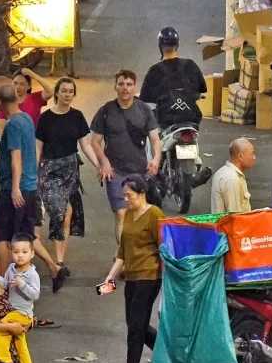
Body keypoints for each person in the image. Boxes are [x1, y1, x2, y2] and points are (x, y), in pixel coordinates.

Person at [98, 175, 164, 363]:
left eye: (130, 195)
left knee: (136, 326)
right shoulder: (127, 215)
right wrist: (110, 277)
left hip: (150, 275)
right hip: (132, 277)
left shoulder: (154, 214)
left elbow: (164, 246)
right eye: (124, 195)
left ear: (142, 193)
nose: (126, 200)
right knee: (135, 323)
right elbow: (122, 253)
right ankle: (166, 351)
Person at [36, 77, 99, 291]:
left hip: (71, 171)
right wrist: (34, 173)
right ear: (57, 93)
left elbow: (86, 145)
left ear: (74, 94)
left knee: (67, 214)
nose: (67, 94)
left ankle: (60, 261)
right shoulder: (45, 118)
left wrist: (99, 165)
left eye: (71, 91)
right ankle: (57, 264)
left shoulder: (77, 117)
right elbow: (38, 147)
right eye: (63, 91)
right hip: (50, 170)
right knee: (59, 212)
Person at [0, 84, 58, 277]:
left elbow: (16, 158)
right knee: (25, 235)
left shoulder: (12, 125)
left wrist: (14, 189)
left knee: (2, 237)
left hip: (15, 189)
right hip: (29, 187)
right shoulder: (27, 119)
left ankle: (2, 284)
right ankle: (53, 268)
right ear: (18, 99)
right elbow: (24, 151)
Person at [89, 70, 161, 238]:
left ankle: (132, 253)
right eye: (121, 84)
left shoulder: (143, 109)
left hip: (139, 171)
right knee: (121, 214)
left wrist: (156, 159)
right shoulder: (106, 111)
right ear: (115, 86)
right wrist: (104, 162)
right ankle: (124, 258)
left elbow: (155, 139)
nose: (125, 88)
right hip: (115, 172)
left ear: (134, 87)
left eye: (129, 84)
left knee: (138, 215)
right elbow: (95, 142)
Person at [0, 236, 39, 363]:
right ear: (11, 253)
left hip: (23, 314)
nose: (20, 255)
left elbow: (35, 295)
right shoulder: (11, 269)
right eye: (16, 251)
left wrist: (22, 284)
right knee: (21, 346)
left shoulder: (32, 274)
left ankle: (6, 361)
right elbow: (5, 285)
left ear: (32, 253)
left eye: (24, 252)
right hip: (13, 311)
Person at [139, 26, 206, 129]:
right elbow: (202, 89)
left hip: (166, 120)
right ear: (177, 45)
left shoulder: (154, 70)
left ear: (160, 46)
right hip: (191, 118)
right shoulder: (190, 65)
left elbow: (144, 99)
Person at [210, 136, 256, 214]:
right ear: (240, 156)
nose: (254, 157)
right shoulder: (232, 179)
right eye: (252, 153)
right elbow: (234, 216)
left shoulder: (225, 172)